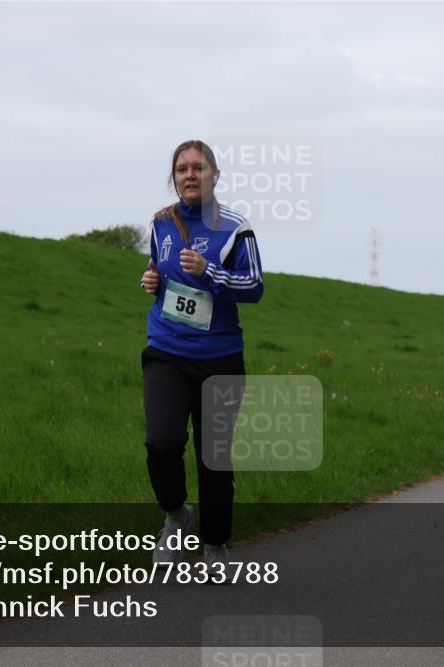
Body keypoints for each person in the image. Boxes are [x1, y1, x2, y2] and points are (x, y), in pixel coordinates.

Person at [139, 140, 263, 574]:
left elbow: (255, 287)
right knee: (162, 443)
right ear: (173, 177)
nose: (190, 175)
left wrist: (210, 273)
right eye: (181, 169)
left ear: (215, 174)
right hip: (166, 350)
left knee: (214, 457)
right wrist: (151, 279)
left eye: (198, 167)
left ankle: (214, 546)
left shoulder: (235, 227)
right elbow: (159, 267)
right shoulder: (160, 222)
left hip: (220, 358)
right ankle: (176, 515)